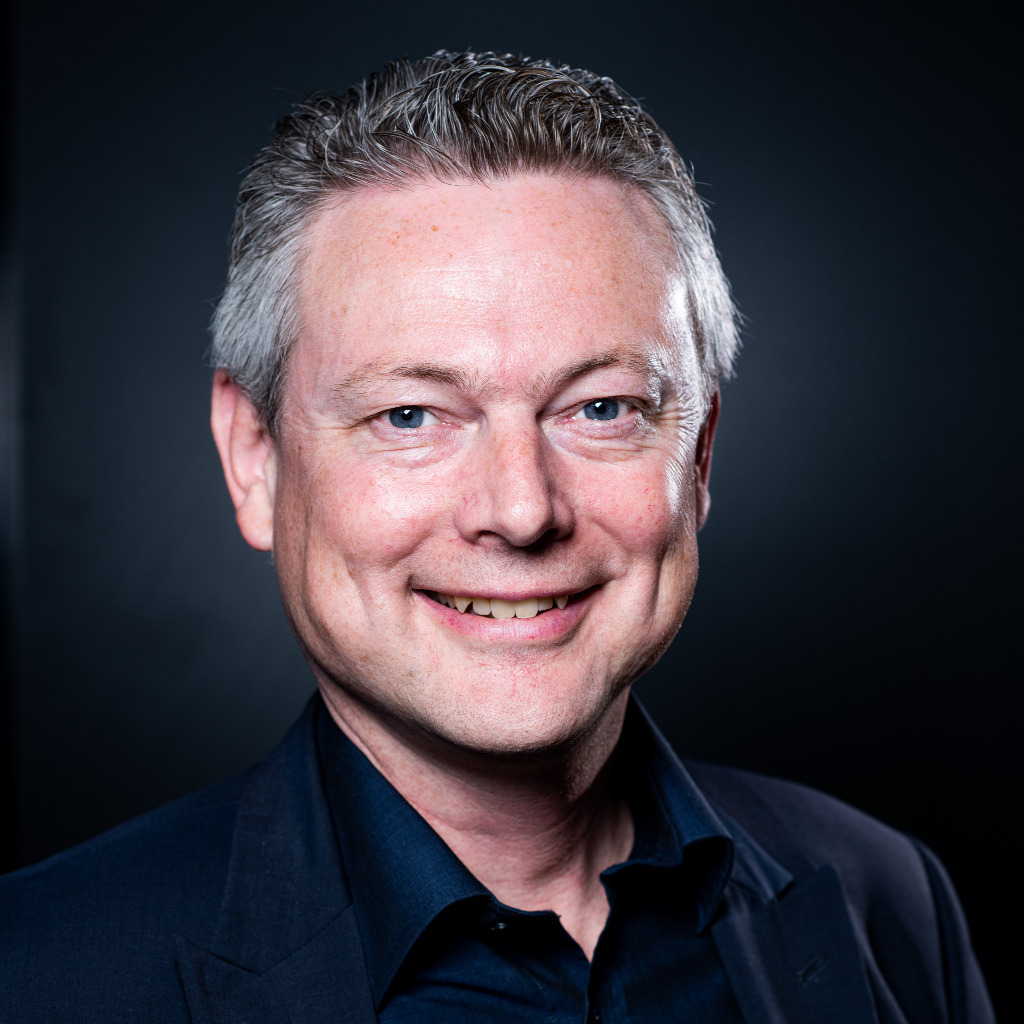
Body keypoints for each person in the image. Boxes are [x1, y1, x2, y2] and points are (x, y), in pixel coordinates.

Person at [0, 51, 994, 1023]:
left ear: (697, 457)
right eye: (410, 416)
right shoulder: (37, 975)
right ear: (254, 457)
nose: (521, 512)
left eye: (601, 408)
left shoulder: (886, 901)